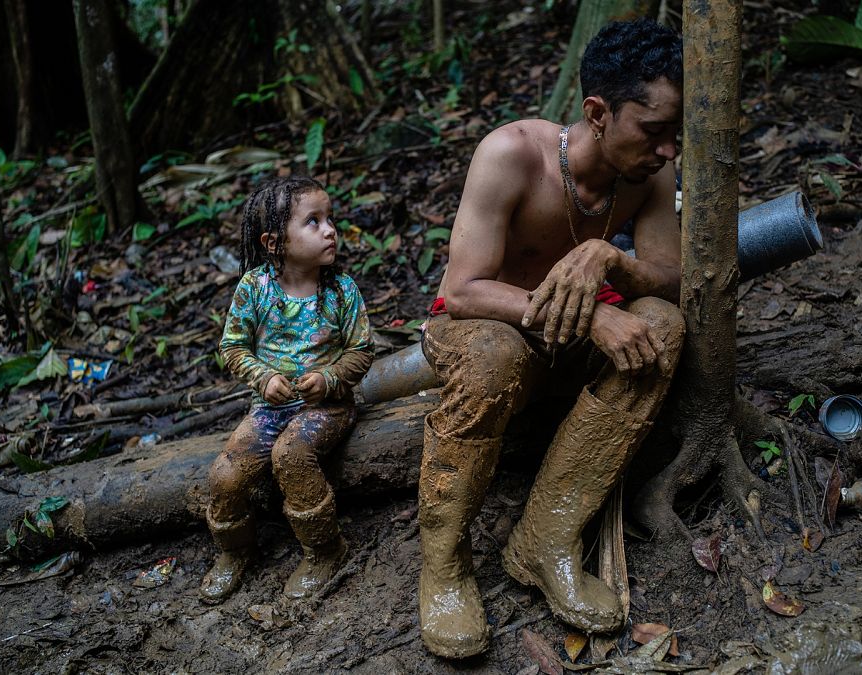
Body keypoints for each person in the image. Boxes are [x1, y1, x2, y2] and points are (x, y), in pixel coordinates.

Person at [416, 19, 687, 658]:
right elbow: (463, 291)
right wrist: (592, 315)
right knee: (494, 354)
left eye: (676, 134)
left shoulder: (649, 178)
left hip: (563, 346)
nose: (668, 150)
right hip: (482, 330)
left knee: (663, 328)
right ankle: (445, 566)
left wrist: (611, 259)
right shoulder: (511, 154)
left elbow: (671, 281)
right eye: (653, 131)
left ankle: (546, 540)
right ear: (598, 112)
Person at [200, 175, 375, 604]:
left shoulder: (341, 291)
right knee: (225, 474)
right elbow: (233, 347)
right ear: (275, 242)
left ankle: (324, 550)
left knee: (292, 455)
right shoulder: (254, 289)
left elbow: (363, 350)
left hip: (327, 407)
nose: (330, 229)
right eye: (313, 222)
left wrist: (330, 378)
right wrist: (264, 377)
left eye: (329, 218)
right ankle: (234, 552)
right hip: (269, 409)